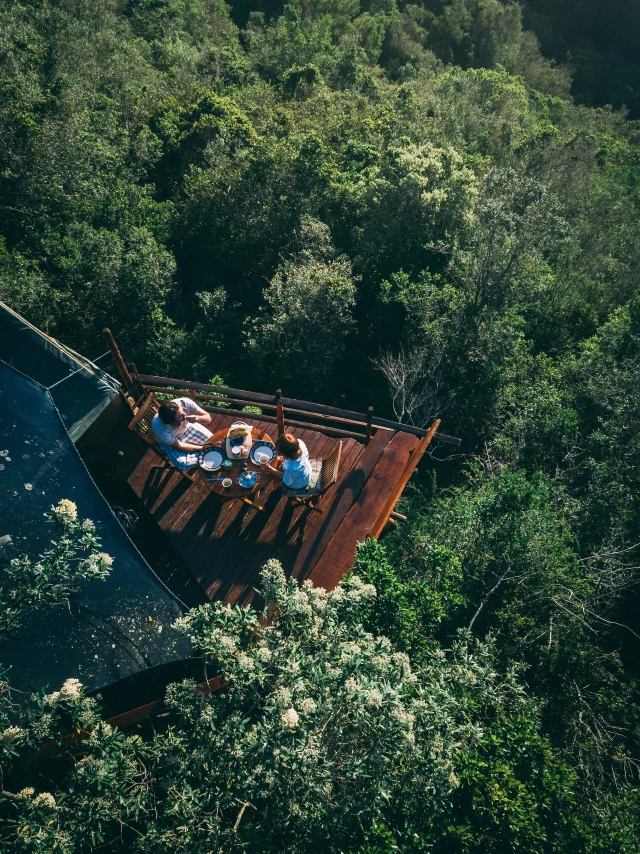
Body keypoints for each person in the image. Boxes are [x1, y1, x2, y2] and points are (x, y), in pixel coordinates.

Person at [151, 397, 212, 470]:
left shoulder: (184, 403)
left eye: (183, 412)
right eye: (180, 417)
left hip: (187, 428)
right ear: (171, 422)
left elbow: (208, 418)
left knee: (213, 440)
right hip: (171, 442)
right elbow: (180, 446)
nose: (185, 416)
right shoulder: (161, 428)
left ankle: (207, 454)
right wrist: (203, 448)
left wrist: (198, 418)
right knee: (184, 464)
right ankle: (207, 454)